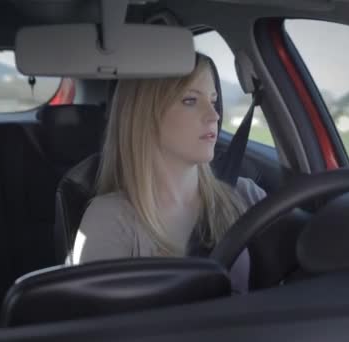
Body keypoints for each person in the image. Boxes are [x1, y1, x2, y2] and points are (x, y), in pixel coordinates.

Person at [71, 54, 266, 293]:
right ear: (144, 115)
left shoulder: (244, 194)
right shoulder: (110, 220)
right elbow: (100, 325)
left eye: (213, 101)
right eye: (190, 100)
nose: (214, 115)